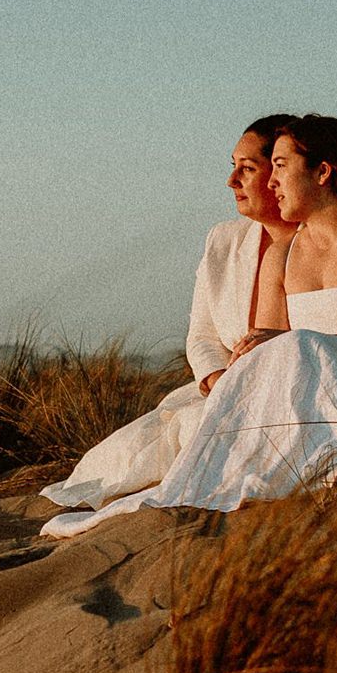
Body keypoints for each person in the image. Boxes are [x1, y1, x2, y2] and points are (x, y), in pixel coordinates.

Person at [42, 115, 337, 540]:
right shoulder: (282, 255)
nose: (273, 181)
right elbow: (263, 354)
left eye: (279, 166)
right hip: (309, 395)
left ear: (322, 171)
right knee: (268, 365)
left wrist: (294, 343)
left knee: (291, 350)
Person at [40, 116, 299, 511]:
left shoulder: (317, 242)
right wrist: (215, 377)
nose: (232, 181)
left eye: (247, 169)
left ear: (280, 172)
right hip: (217, 390)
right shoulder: (223, 240)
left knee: (198, 441)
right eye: (232, 167)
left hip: (280, 396)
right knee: (120, 456)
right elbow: (201, 335)